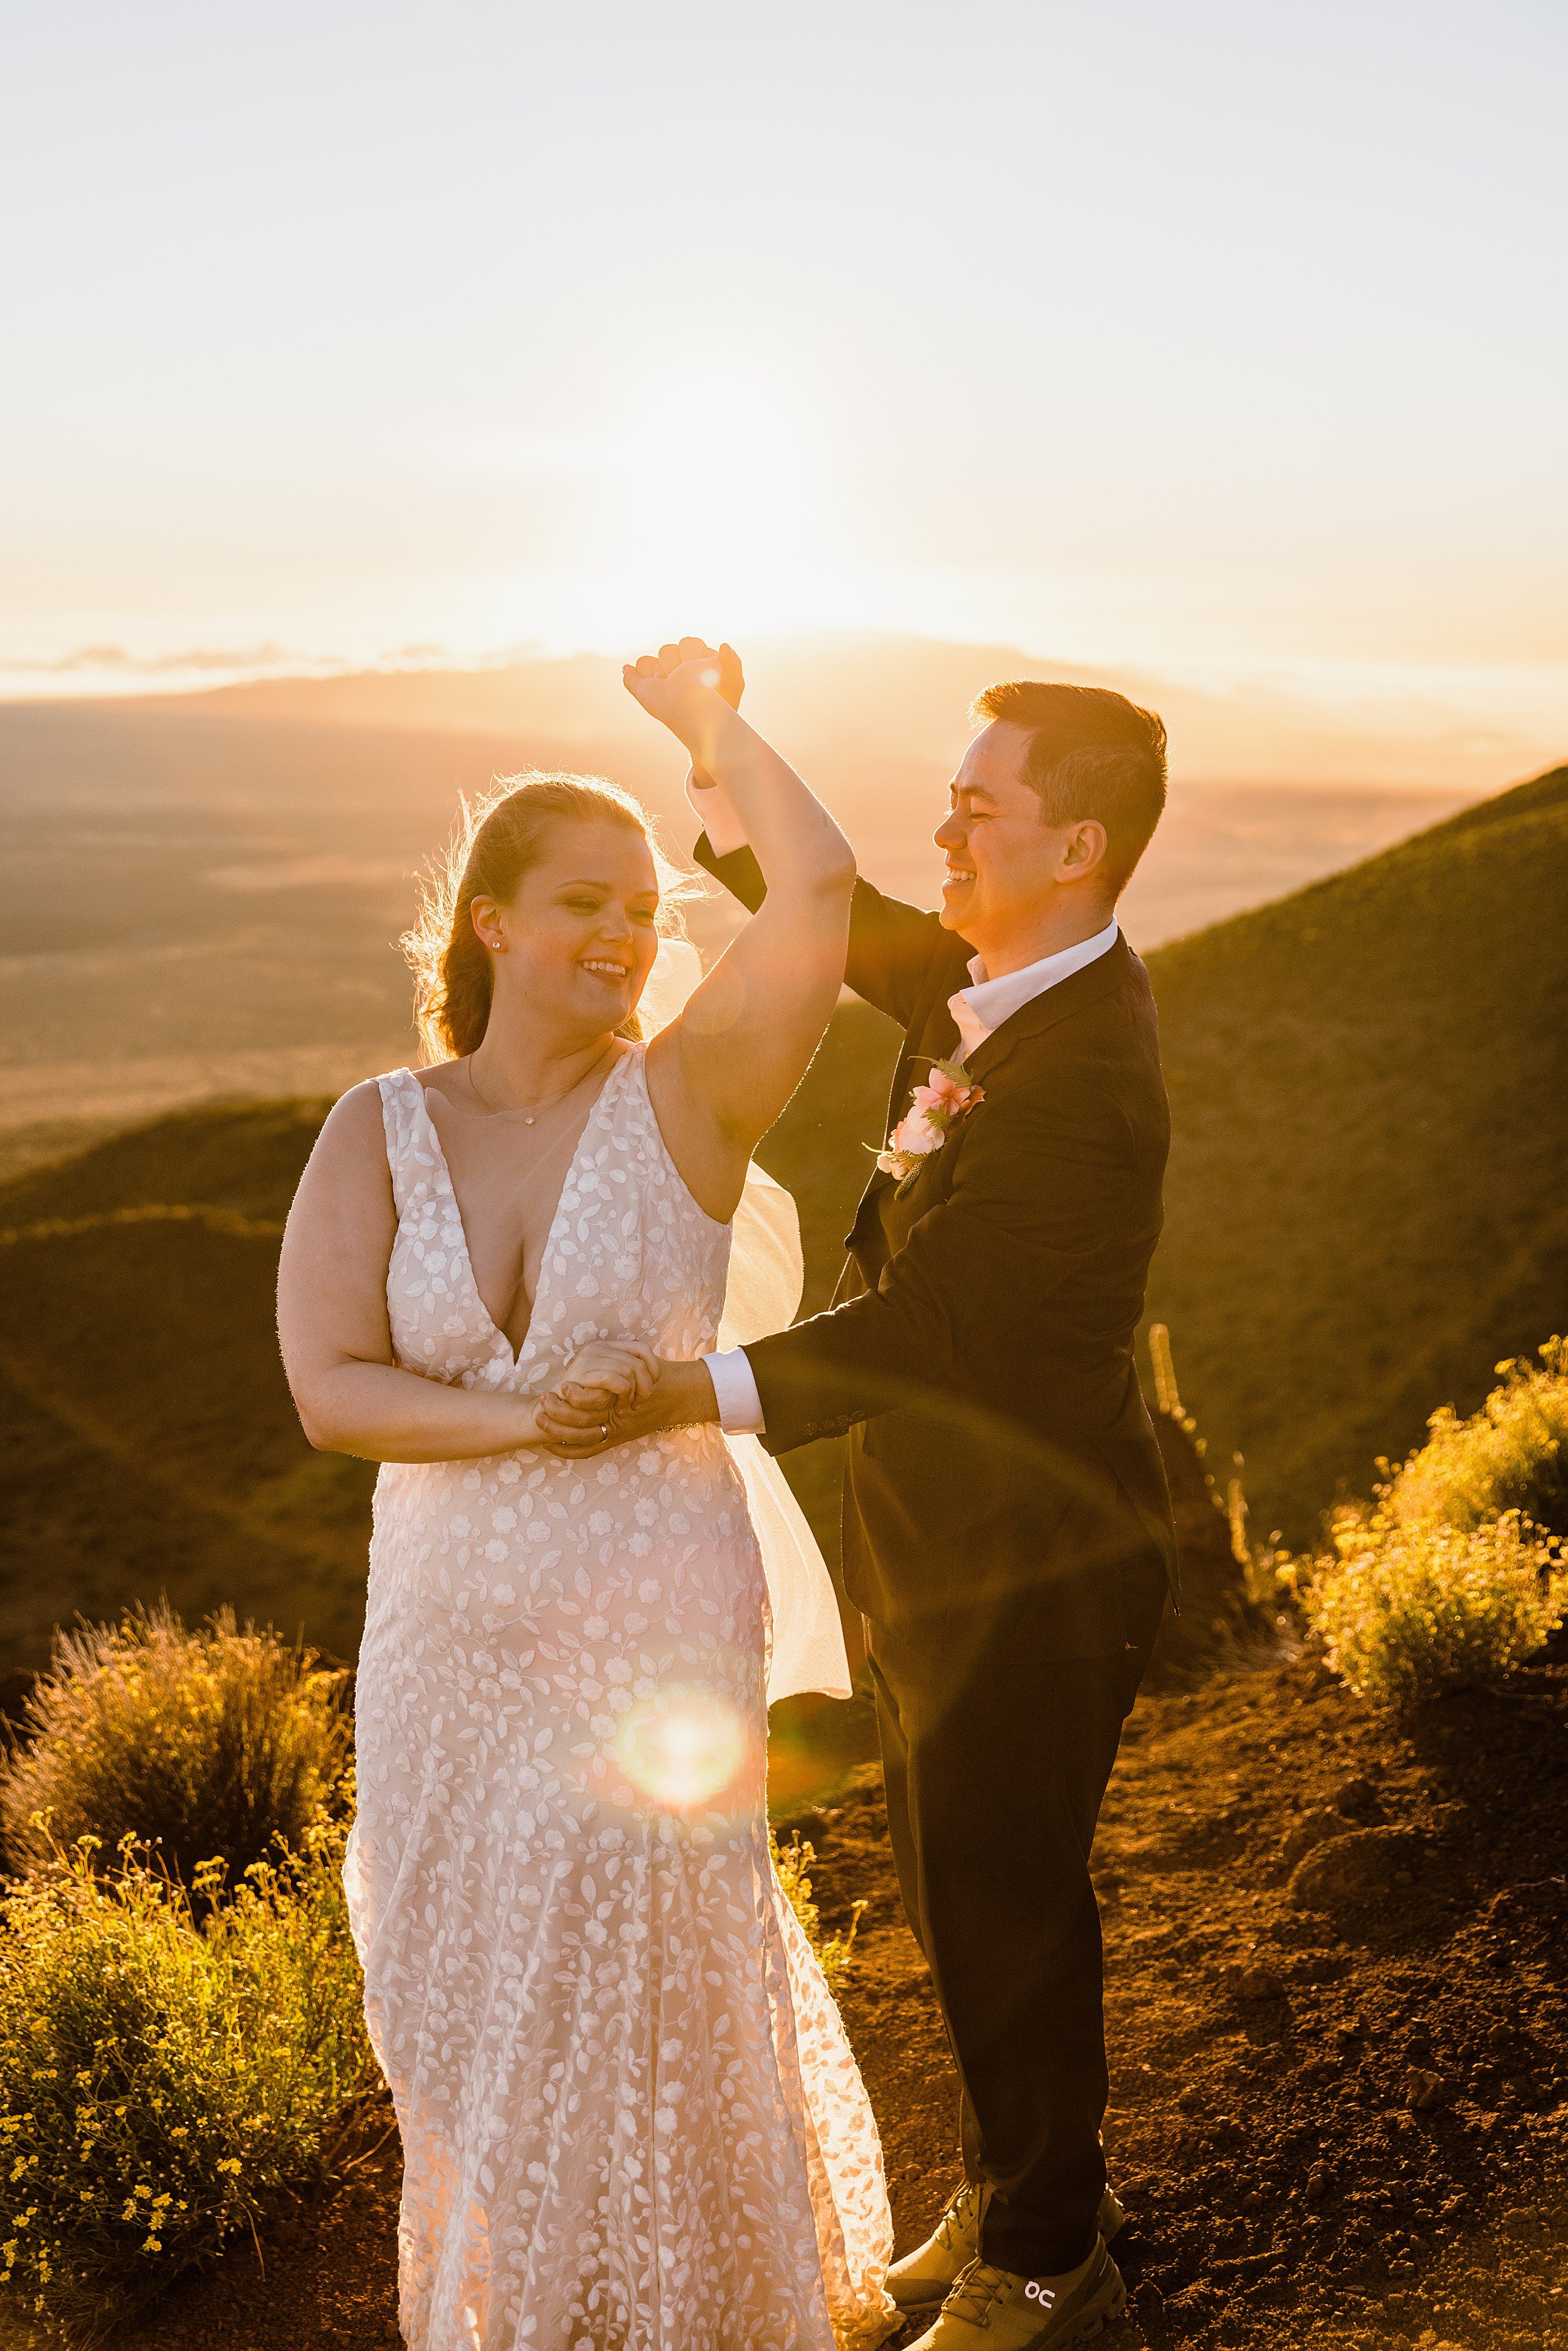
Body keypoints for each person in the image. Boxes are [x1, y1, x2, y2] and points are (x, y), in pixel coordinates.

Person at [549, 657, 1180, 2350]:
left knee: (1010, 1907)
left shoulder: (1081, 1077)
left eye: (979, 808)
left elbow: (940, 1326)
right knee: (955, 1886)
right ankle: (1005, 2186)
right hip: (941, 1546)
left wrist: (705, 1394)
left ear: (1078, 845)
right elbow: (813, 906)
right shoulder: (994, 987)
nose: (945, 828)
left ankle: (1053, 2270)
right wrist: (708, 748)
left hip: (1037, 1573)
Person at [275, 644, 897, 2351]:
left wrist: (705, 727)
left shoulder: (689, 1093)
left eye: (643, 904)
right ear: (487, 921)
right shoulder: (373, 1128)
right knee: (463, 1991)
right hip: (439, 1645)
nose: (625, 934)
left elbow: (821, 888)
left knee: (640, 1983)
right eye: (580, 901)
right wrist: (527, 1422)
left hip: (650, 1624)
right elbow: (332, 1389)